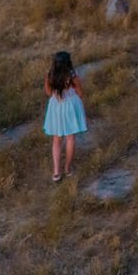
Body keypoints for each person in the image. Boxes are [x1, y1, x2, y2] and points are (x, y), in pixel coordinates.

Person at [43, 51, 86, 182]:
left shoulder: (50, 75)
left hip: (56, 106)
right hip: (70, 106)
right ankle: (67, 168)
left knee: (56, 139)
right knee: (70, 138)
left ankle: (56, 172)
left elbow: (48, 93)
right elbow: (80, 92)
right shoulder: (72, 76)